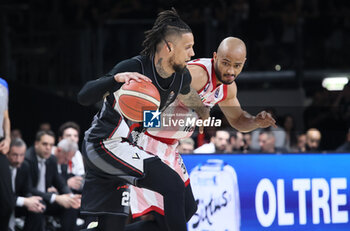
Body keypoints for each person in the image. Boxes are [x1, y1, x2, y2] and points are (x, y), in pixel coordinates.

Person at [77, 8, 208, 231]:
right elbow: (83, 96)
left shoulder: (181, 76)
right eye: (187, 47)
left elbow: (187, 93)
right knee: (172, 185)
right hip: (104, 144)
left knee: (185, 208)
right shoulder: (133, 68)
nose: (192, 53)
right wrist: (114, 80)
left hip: (129, 147)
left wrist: (203, 111)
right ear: (168, 47)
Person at [129, 37, 276, 229]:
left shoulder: (228, 87)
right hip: (147, 142)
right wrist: (200, 108)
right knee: (172, 217)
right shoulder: (198, 74)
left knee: (187, 210)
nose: (230, 71)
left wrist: (256, 121)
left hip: (169, 147)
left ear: (244, 64)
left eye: (237, 66)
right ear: (215, 57)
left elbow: (238, 119)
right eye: (225, 63)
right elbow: (169, 79)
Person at [25, 130, 81, 231]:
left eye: (51, 145)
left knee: (71, 206)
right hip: (29, 198)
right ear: (36, 144)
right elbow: (29, 189)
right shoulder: (27, 159)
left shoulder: (51, 159)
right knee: (38, 206)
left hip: (46, 198)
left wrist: (71, 196)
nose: (48, 148)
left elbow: (59, 182)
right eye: (45, 144)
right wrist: (56, 198)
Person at [7, 138, 46, 231]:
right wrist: (25, 201)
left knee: (38, 207)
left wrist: (31, 200)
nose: (18, 159)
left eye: (21, 155)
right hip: (4, 203)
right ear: (7, 153)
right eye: (15, 155)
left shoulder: (24, 166)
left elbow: (26, 190)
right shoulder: (2, 168)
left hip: (16, 203)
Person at [0, 77, 13, 230]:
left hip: (1, 144)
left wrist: (8, 138)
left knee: (6, 203)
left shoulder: (3, 84)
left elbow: (5, 116)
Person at [58, 121, 85, 191]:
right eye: (68, 135)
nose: (72, 138)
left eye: (75, 136)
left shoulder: (78, 154)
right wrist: (66, 183)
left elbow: (80, 177)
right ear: (60, 139)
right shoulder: (54, 154)